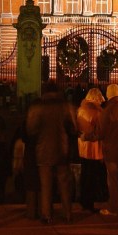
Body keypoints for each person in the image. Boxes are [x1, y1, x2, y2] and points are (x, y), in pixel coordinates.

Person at [26, 85, 77, 224]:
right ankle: (67, 214)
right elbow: (73, 127)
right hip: (62, 149)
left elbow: (31, 129)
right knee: (64, 184)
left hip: (43, 150)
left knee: (46, 185)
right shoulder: (65, 106)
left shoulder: (37, 107)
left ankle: (47, 215)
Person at [91, 84, 118, 216]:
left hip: (111, 151)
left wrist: (87, 136)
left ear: (108, 95)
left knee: (113, 181)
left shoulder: (106, 111)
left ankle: (114, 208)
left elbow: (101, 133)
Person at [76, 88, 106, 212]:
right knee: (92, 176)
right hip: (94, 149)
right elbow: (100, 132)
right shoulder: (98, 112)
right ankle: (90, 202)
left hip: (82, 147)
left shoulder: (81, 110)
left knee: (84, 174)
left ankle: (83, 200)